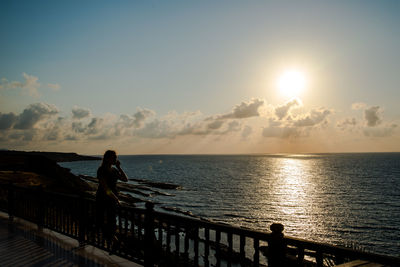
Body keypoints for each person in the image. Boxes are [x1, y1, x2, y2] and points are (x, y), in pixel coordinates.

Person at [95, 150, 128, 248]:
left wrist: (119, 167)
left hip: (112, 199)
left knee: (112, 221)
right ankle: (111, 240)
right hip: (102, 198)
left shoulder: (114, 170)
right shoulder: (101, 170)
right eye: (114, 157)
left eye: (116, 157)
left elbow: (125, 179)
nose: (116, 159)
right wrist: (116, 198)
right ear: (108, 158)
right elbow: (105, 188)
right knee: (100, 220)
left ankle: (111, 241)